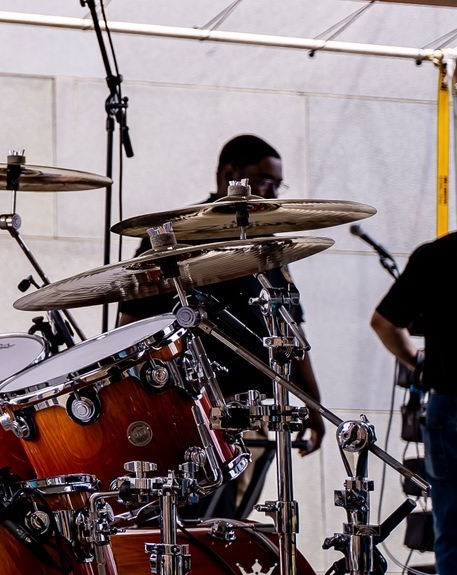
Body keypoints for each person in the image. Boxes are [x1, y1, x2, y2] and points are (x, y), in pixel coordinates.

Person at [121, 133, 326, 518]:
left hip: (252, 415)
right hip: (187, 414)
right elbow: (131, 328)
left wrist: (315, 407)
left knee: (234, 533)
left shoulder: (268, 245)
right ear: (230, 173)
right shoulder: (174, 238)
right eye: (265, 181)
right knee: (192, 531)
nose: (271, 193)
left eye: (277, 185)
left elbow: (292, 334)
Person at [368, 229, 457, 575]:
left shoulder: (440, 254)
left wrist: (419, 364)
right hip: (452, 408)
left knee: (456, 535)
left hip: (449, 406)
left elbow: (383, 322)